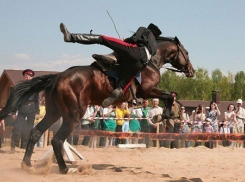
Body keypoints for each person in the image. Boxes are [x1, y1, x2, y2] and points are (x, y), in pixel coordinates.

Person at [60, 23, 162, 108]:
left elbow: (134, 39)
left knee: (103, 39)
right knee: (122, 86)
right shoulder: (155, 46)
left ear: (150, 30)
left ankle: (71, 37)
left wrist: (124, 41)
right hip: (139, 64)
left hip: (134, 51)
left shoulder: (144, 29)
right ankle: (117, 91)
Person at [11, 69, 39, 152]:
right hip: (22, 109)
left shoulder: (35, 87)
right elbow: (16, 100)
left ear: (32, 77)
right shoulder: (20, 87)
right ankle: (13, 146)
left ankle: (25, 146)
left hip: (32, 109)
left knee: (29, 129)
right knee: (17, 128)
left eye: (29, 76)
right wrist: (13, 112)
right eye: (26, 76)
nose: (28, 78)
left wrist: (37, 112)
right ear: (24, 77)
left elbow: (37, 100)